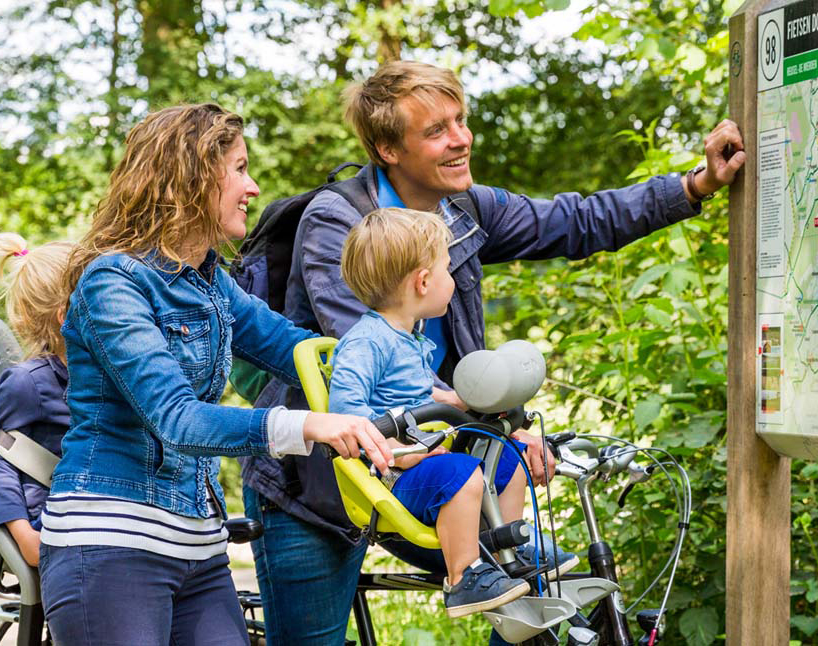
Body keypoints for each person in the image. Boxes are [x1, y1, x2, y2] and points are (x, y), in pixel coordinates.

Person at [239, 60, 746, 645]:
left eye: (461, 120)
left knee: (539, 601)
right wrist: (495, 420)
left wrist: (694, 185)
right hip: (320, 484)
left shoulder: (462, 209)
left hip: (434, 459)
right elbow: (370, 354)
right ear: (387, 148)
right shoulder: (339, 221)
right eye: (436, 130)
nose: (461, 139)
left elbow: (574, 221)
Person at [37, 103, 395, 646]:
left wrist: (434, 391)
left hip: (198, 550)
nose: (253, 188)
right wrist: (308, 426)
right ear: (192, 176)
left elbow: (308, 352)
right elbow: (177, 420)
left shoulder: (211, 284)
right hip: (110, 546)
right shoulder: (113, 283)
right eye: (240, 169)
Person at [329, 206, 581, 617]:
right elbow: (346, 413)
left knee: (507, 458)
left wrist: (458, 401)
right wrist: (401, 451)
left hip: (428, 464)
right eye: (448, 269)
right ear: (424, 282)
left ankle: (507, 546)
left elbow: (417, 392)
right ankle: (465, 578)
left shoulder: (406, 337)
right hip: (395, 478)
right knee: (462, 472)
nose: (454, 278)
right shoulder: (366, 342)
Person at [0, 232, 73, 567]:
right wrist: (24, 537)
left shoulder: (108, 372)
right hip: (55, 525)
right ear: (65, 314)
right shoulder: (29, 383)